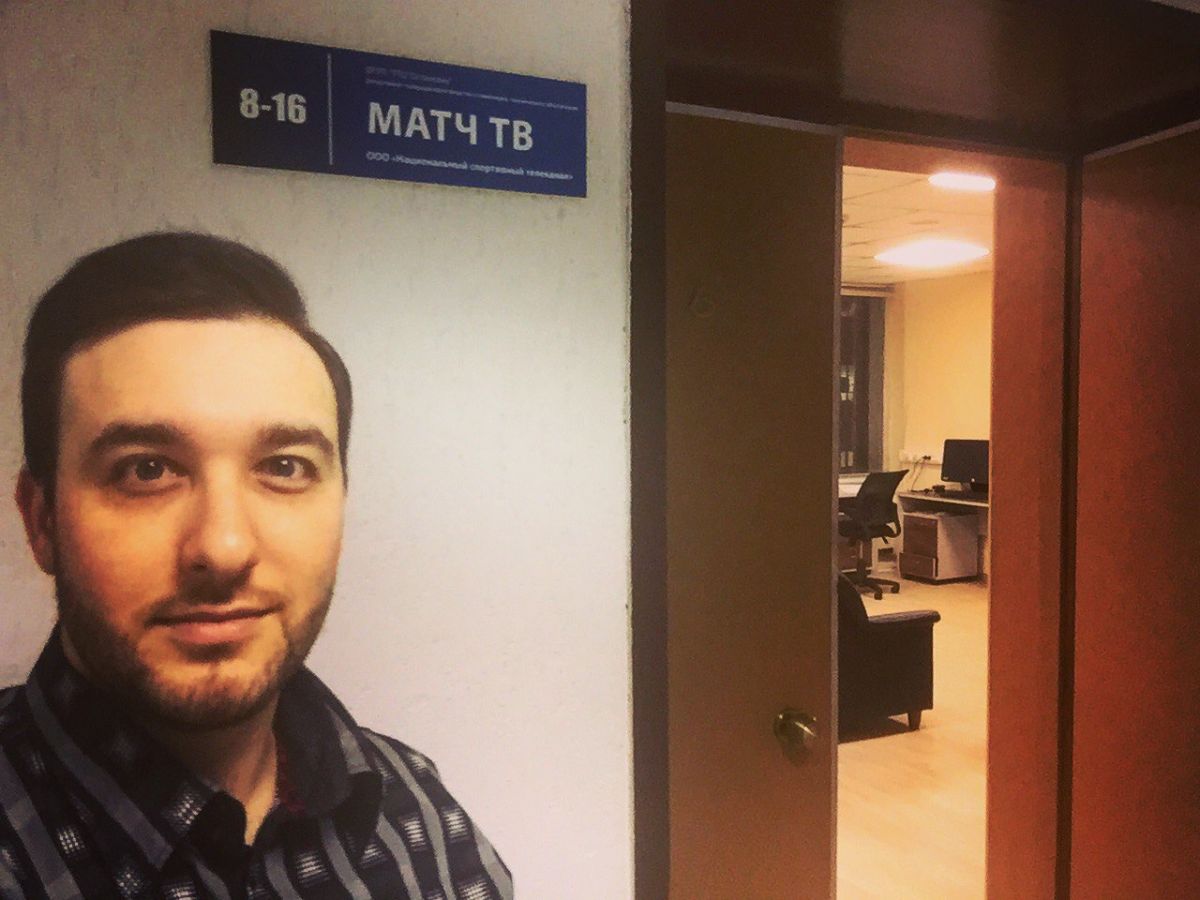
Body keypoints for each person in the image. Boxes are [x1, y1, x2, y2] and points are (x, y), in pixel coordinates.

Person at [0, 233, 512, 899]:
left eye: (284, 467)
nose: (224, 548)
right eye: (146, 470)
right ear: (41, 520)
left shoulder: (420, 814)